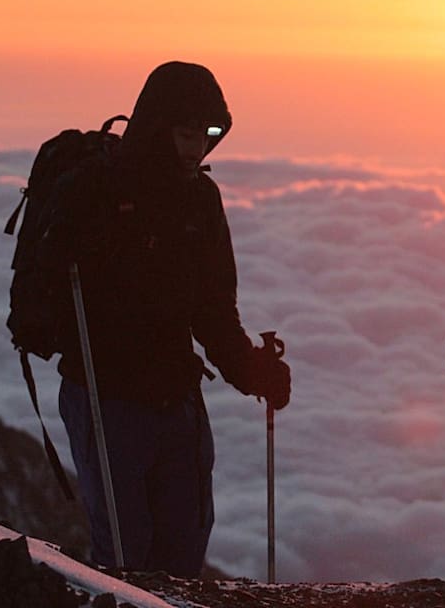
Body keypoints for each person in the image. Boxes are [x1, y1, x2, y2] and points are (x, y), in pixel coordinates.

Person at [39, 61, 291, 576]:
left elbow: (213, 310)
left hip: (174, 398)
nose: (197, 149)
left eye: (207, 136)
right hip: (104, 397)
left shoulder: (200, 199)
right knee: (126, 559)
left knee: (181, 554)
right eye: (185, 134)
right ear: (157, 129)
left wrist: (252, 371)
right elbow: (55, 289)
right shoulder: (96, 193)